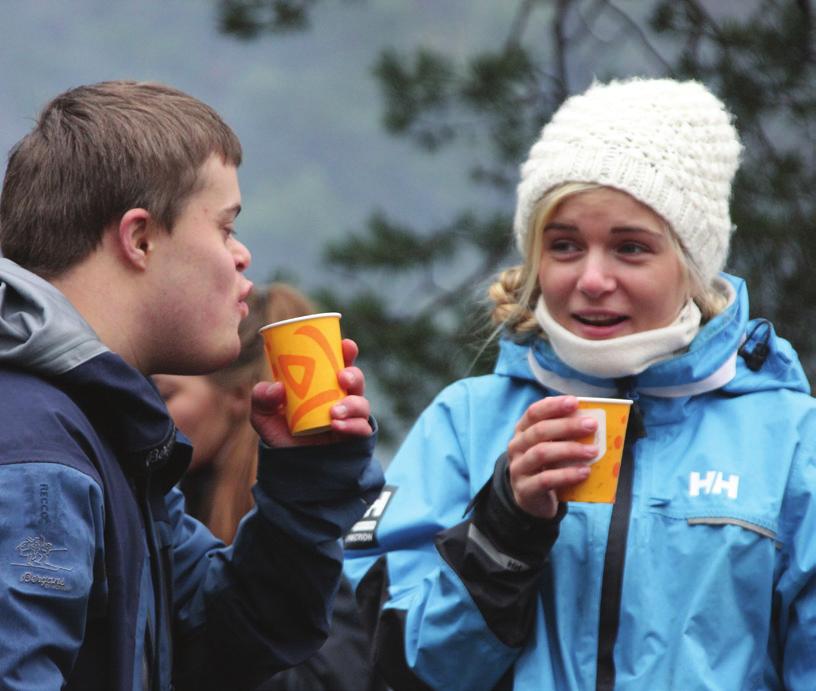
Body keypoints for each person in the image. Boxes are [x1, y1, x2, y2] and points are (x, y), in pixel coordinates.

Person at [343, 77, 816, 690]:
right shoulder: (465, 423)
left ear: (693, 264)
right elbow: (385, 668)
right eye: (564, 245)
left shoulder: (788, 439)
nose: (592, 279)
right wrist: (502, 532)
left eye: (630, 248)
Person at [0, 80, 384, 691]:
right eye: (226, 228)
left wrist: (305, 491)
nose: (243, 256)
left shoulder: (104, 429)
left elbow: (222, 637)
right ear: (140, 238)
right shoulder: (38, 451)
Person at [154, 283, 385, 690]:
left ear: (240, 396)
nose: (152, 412)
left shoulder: (296, 527)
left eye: (164, 395)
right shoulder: (160, 504)